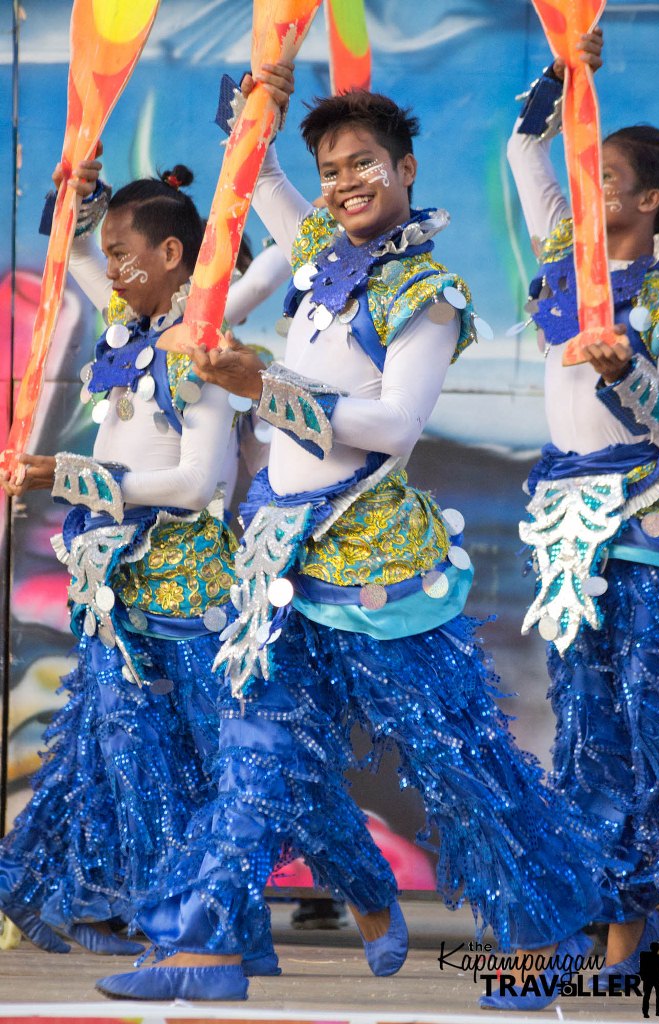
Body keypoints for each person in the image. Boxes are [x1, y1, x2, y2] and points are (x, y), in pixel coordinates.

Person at [95, 64, 608, 1006]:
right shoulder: (326, 255)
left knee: (460, 766)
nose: (344, 181)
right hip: (280, 565)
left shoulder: (425, 289)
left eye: (363, 162)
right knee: (256, 752)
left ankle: (546, 935)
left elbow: (391, 427)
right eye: (332, 168)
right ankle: (205, 951)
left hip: (378, 575)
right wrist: (255, 118)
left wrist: (265, 389)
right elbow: (267, 185)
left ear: (406, 168)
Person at [0, 160, 271, 963]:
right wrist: (80, 196)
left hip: (186, 577)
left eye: (128, 256)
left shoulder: (200, 351)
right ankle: (61, 891)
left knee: (180, 746)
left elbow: (193, 485)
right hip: (113, 575)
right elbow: (77, 260)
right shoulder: (136, 329)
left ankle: (184, 912)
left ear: (175, 256)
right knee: (99, 737)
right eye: (111, 256)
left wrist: (67, 474)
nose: (112, 271)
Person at [507, 26, 659, 993]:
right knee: (584, 725)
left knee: (652, 720)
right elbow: (524, 148)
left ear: (649, 198)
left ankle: (639, 930)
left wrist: (633, 381)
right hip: (567, 526)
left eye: (607, 172)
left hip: (652, 527)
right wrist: (567, 74)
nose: (590, 181)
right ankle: (599, 920)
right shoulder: (564, 252)